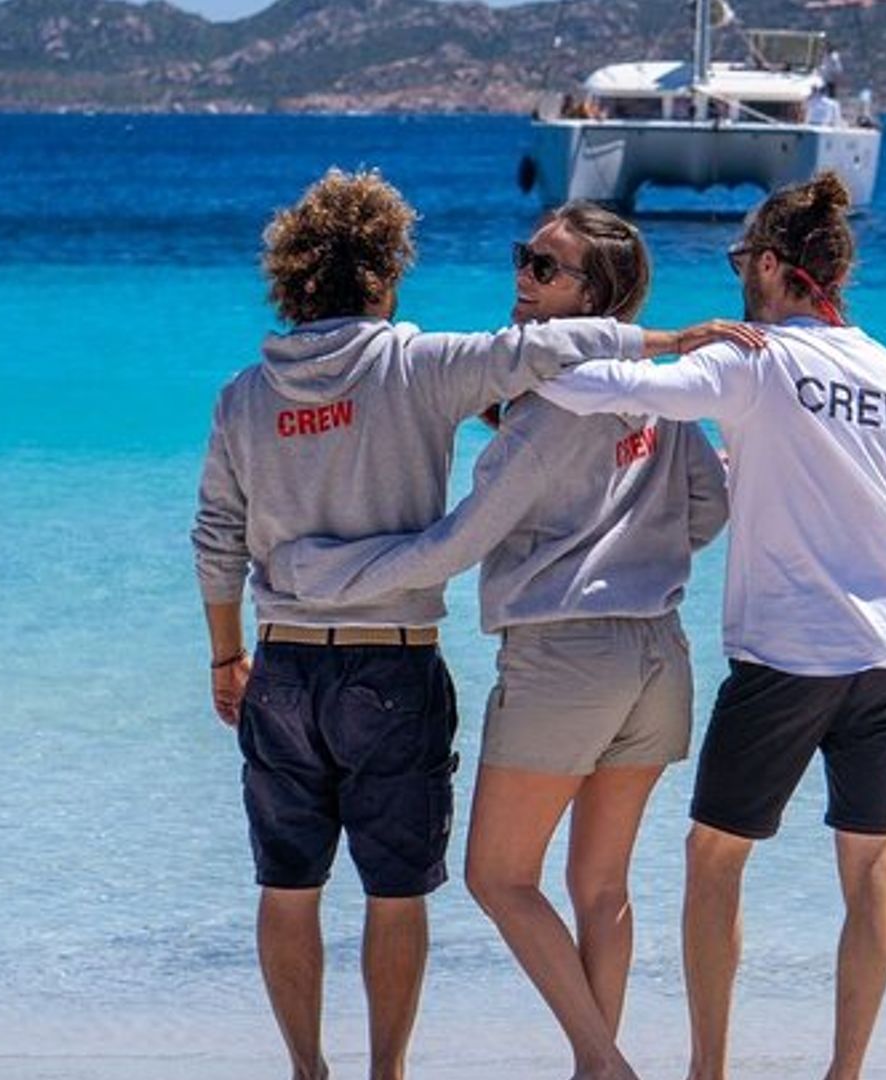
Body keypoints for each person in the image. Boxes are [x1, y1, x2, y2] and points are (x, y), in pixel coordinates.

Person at [192, 169, 745, 1080]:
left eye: (540, 264)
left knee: (341, 886)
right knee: (524, 889)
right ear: (385, 271)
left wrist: (263, 619)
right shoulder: (613, 390)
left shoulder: (246, 397)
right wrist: (634, 538)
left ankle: (331, 1072)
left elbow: (443, 538)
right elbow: (702, 502)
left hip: (344, 659)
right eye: (524, 259)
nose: (521, 274)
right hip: (618, 656)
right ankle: (454, 1071)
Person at [534, 172, 886, 1080]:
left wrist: (525, 356)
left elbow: (608, 388)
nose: (739, 276)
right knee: (869, 868)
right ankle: (846, 1074)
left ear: (780, 270)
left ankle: (708, 1072)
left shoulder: (753, 358)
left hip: (790, 656)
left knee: (713, 856)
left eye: (744, 259)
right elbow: (825, 476)